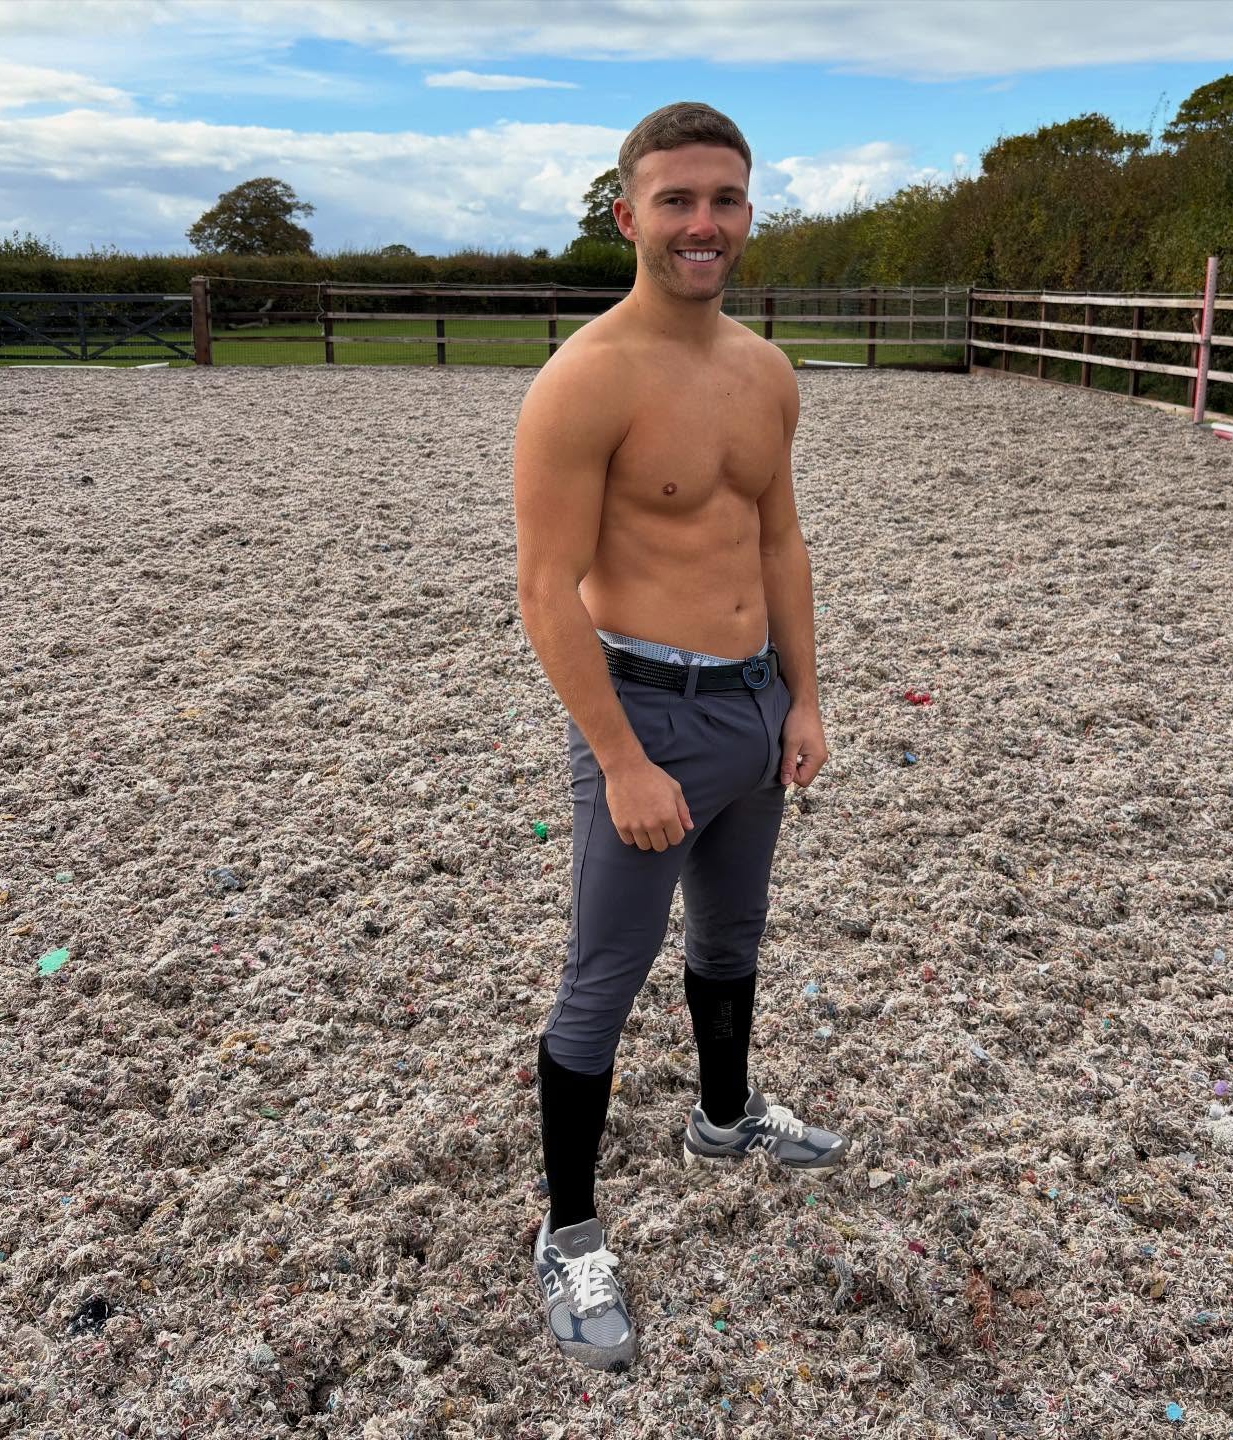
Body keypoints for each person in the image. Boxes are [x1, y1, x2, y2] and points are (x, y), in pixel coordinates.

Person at [512, 100, 850, 1374]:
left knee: (733, 937)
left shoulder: (766, 371)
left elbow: (780, 542)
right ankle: (569, 1232)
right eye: (676, 200)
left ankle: (723, 1113)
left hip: (753, 705)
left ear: (748, 212)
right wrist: (619, 757)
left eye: (724, 199)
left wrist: (804, 698)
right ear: (628, 216)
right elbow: (545, 589)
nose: (703, 223)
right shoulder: (587, 379)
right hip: (645, 711)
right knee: (603, 978)